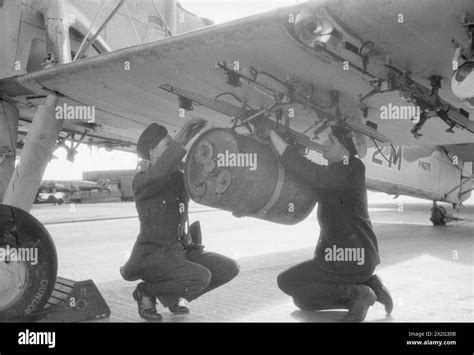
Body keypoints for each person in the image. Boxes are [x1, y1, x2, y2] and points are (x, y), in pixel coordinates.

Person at [268, 125, 393, 321]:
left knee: (295, 290)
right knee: (295, 292)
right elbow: (307, 174)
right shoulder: (341, 170)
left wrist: (271, 132)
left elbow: (308, 169)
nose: (324, 144)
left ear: (345, 150)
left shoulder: (349, 170)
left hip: (351, 260)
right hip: (347, 259)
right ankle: (369, 285)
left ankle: (359, 294)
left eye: (331, 141)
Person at [120, 119, 240, 321]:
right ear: (151, 153)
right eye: (168, 145)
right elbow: (158, 174)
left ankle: (171, 294)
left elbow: (206, 189)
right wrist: (183, 137)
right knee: (200, 277)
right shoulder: (142, 181)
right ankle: (147, 291)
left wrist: (236, 203)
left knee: (228, 268)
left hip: (181, 251)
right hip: (153, 256)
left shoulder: (177, 178)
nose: (172, 149)